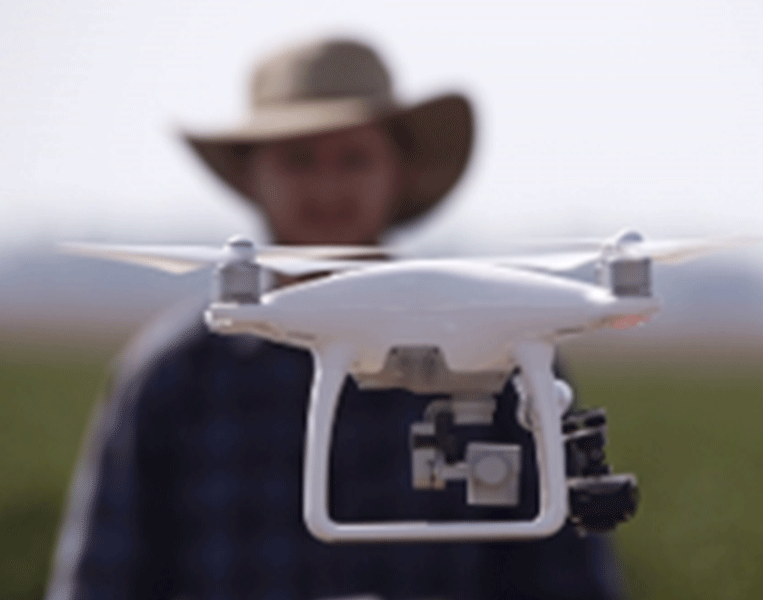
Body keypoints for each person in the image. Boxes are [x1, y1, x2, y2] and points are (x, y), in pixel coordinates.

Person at [46, 39, 626, 600]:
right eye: (300, 161)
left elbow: (567, 578)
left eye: (354, 159)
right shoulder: (174, 375)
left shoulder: (496, 354)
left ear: (399, 171)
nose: (327, 187)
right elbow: (101, 581)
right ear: (252, 176)